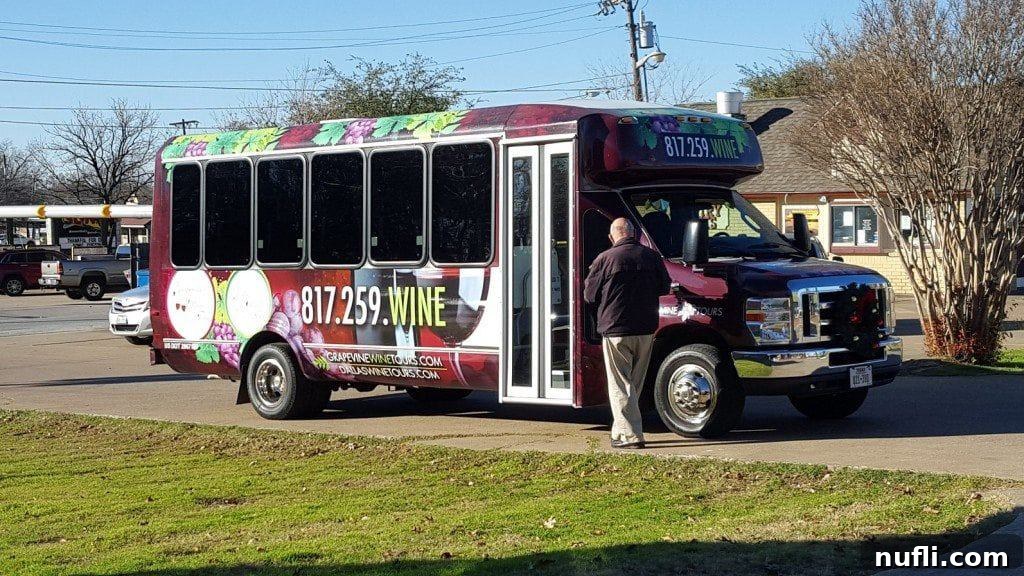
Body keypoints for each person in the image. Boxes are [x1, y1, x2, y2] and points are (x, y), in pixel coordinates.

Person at [583, 217, 671, 449]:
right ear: (633, 234)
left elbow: (589, 295)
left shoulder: (605, 258)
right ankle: (619, 433)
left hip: (616, 329)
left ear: (613, 236)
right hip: (646, 329)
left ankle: (632, 436)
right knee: (634, 384)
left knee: (620, 385)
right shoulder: (651, 256)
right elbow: (664, 287)